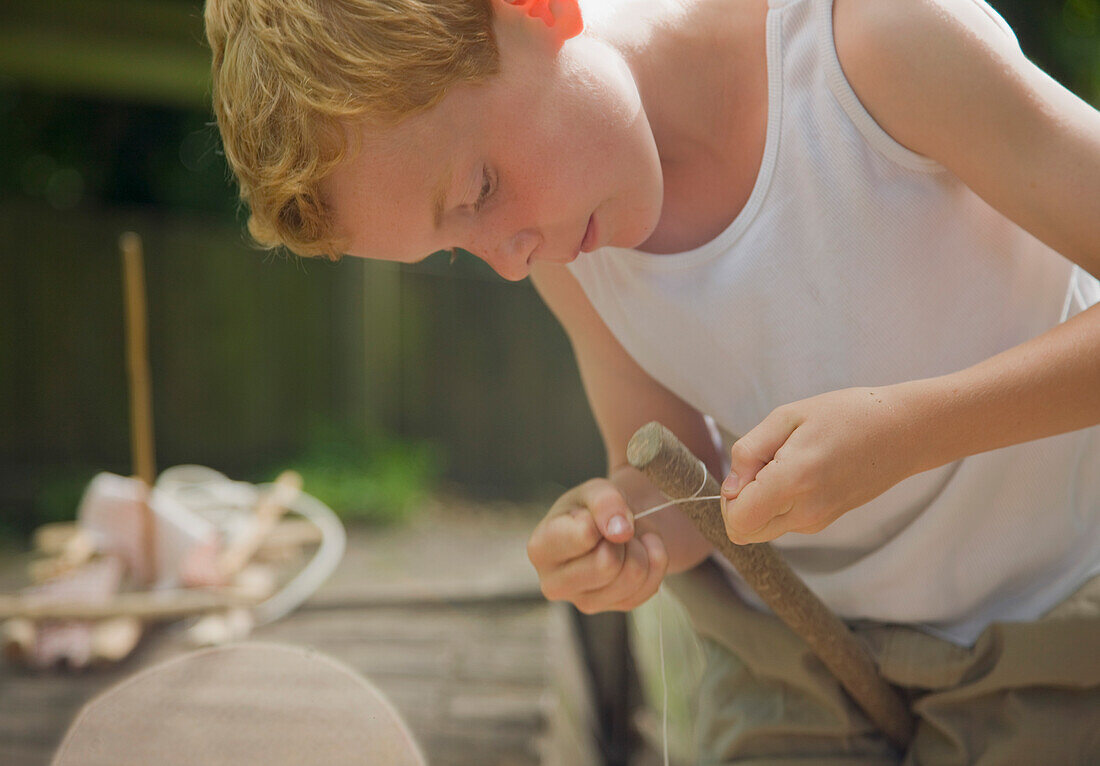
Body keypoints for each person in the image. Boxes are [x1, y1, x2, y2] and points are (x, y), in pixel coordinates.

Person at [204, 0, 1100, 762]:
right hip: (794, 647)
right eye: (458, 243)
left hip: (1052, 614)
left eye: (479, 189)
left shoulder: (870, 45)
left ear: (538, 11)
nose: (509, 262)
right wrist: (626, 528)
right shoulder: (564, 241)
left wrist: (911, 432)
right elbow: (681, 473)